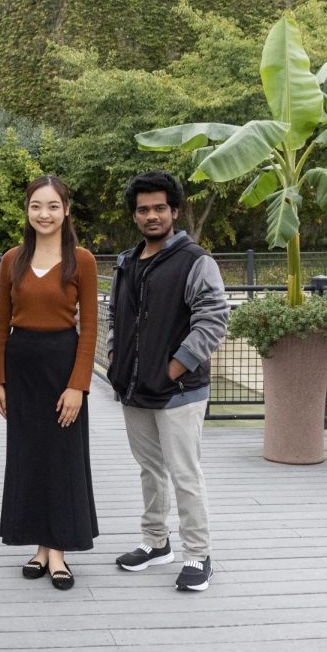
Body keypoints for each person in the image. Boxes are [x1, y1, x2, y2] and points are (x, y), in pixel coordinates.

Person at [107, 170, 228, 592]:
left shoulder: (196, 261)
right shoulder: (126, 262)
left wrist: (175, 366)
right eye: (143, 210)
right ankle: (155, 542)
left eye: (160, 208)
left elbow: (214, 318)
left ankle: (198, 553)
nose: (152, 215)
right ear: (135, 216)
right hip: (134, 389)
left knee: (184, 473)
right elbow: (114, 317)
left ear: (174, 211)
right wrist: (114, 357)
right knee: (149, 471)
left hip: (179, 391)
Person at [0, 175, 99, 591]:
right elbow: (2, 324)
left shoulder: (82, 260)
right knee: (29, 456)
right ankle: (39, 547)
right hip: (21, 369)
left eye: (53, 206)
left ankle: (59, 552)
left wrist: (79, 386)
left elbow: (88, 328)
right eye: (37, 206)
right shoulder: (13, 258)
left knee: (62, 457)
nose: (45, 214)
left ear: (66, 210)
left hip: (62, 366)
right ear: (28, 210)